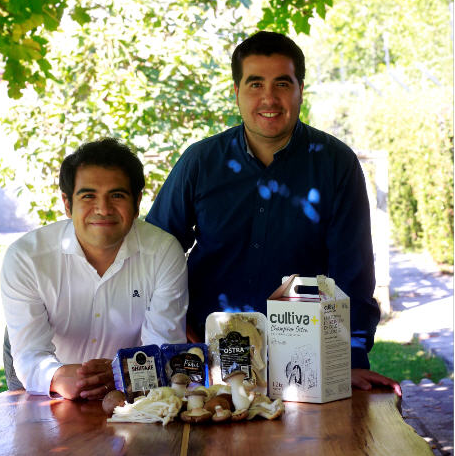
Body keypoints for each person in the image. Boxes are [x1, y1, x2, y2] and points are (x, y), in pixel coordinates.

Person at [147, 31, 401, 395]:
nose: (269, 98)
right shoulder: (200, 163)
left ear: (300, 91)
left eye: (283, 83)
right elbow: (156, 251)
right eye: (255, 84)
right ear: (236, 93)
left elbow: (353, 274)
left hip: (302, 360)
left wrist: (349, 360)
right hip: (206, 355)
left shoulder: (335, 164)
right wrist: (173, 327)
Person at [1, 138, 188, 401]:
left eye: (117, 195)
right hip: (52, 387)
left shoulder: (164, 252)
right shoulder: (26, 258)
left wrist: (120, 374)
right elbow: (30, 354)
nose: (103, 209)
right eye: (88, 196)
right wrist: (56, 377)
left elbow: (163, 348)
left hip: (134, 388)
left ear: (137, 203)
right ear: (67, 204)